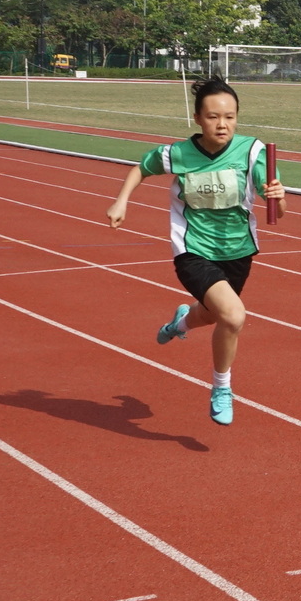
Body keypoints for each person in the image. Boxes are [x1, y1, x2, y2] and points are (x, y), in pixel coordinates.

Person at [105, 75, 285, 425]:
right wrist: (121, 201)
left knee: (213, 315)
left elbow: (278, 208)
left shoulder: (252, 152)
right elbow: (140, 169)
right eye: (214, 117)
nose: (222, 124)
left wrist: (279, 198)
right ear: (198, 118)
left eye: (230, 117)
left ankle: (179, 323)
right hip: (193, 249)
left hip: (238, 250)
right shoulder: (177, 154)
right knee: (233, 316)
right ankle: (222, 388)